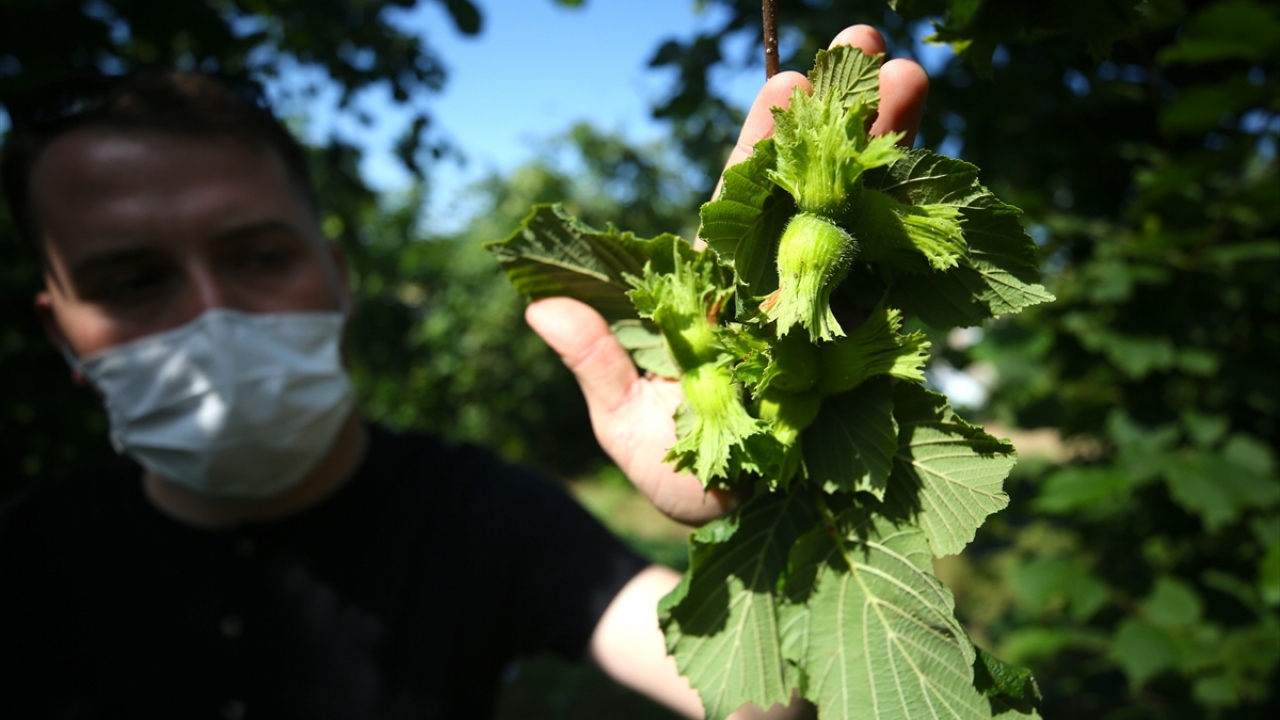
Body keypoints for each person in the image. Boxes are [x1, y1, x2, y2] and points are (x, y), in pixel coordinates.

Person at [0, 25, 927, 720]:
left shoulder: (484, 516)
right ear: (59, 337)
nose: (213, 315)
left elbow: (762, 704)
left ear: (339, 278)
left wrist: (763, 487)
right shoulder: (25, 563)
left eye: (257, 257)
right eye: (133, 280)